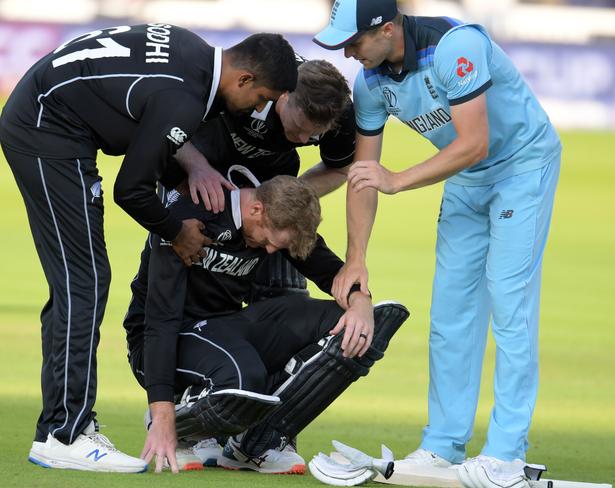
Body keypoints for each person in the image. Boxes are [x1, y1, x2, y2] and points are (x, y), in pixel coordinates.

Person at [0, 24, 297, 473]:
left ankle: (63, 424)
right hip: (46, 133)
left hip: (48, 117)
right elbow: (132, 189)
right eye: (259, 99)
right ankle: (64, 433)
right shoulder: (186, 97)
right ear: (243, 80)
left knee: (77, 283)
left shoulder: (192, 51)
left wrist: (192, 166)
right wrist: (178, 231)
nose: (257, 109)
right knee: (84, 282)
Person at [314, 1, 562, 487]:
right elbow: (364, 177)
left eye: (355, 41)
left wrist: (399, 180)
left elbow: (475, 142)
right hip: (467, 179)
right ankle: (444, 447)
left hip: (522, 166)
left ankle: (506, 455)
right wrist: (357, 258)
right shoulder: (369, 82)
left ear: (387, 29)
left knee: (509, 303)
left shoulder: (456, 46)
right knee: (450, 313)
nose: (348, 52)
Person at [124, 174, 409, 473]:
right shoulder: (188, 218)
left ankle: (255, 442)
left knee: (354, 324)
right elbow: (160, 319)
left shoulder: (276, 222)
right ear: (256, 209)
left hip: (224, 327)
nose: (271, 251)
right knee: (244, 377)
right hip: (158, 339)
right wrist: (162, 410)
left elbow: (329, 270)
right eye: (269, 240)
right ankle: (182, 417)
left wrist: (360, 301)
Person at [162, 57, 356, 301]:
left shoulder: (341, 115)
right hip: (203, 156)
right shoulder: (247, 76)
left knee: (280, 236)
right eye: (297, 127)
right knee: (187, 254)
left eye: (314, 135)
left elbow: (340, 169)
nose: (303, 139)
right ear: (282, 96)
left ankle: (348, 294)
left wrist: (283, 195)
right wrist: (196, 167)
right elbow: (162, 121)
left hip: (270, 170)